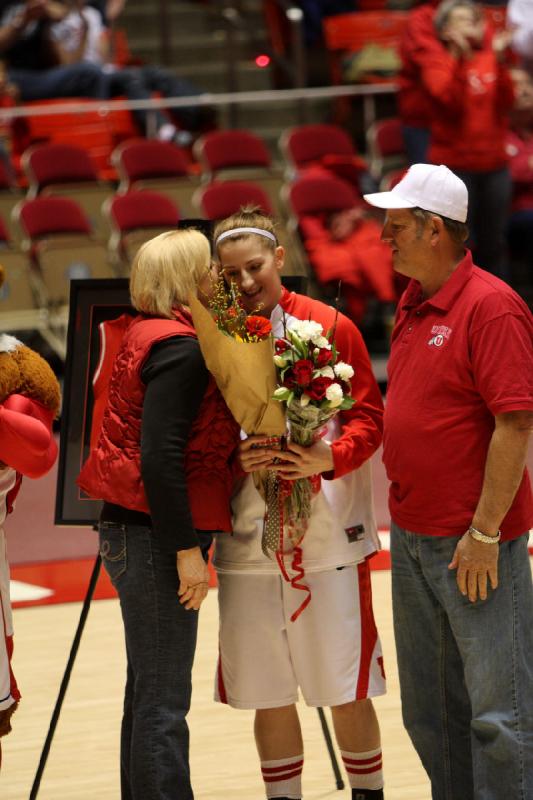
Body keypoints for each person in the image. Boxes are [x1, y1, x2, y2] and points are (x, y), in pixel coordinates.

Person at [363, 163, 533, 799]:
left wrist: (485, 533)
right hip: (411, 537)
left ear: (435, 230)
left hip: (472, 543)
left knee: (500, 715)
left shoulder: (491, 308)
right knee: (431, 713)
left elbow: (515, 425)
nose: (384, 236)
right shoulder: (412, 302)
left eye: (397, 225)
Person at [212, 208, 387, 800]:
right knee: (265, 691)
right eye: (229, 273)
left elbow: (367, 416)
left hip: (329, 534)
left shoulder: (332, 323)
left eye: (254, 267)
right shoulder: (211, 337)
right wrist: (236, 461)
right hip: (245, 539)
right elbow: (201, 439)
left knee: (345, 685)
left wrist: (329, 458)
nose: (244, 283)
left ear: (280, 259)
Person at [77, 229, 240, 800]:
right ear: (188, 277)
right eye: (210, 269)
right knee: (165, 702)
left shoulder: (145, 333)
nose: (218, 279)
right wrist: (187, 553)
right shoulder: (181, 347)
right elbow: (160, 458)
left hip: (129, 529)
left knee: (148, 692)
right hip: (155, 536)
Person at [419, 0, 515, 279]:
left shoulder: (490, 58)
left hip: (494, 164)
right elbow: (449, 104)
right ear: (445, 28)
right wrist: (460, 62)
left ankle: (499, 305)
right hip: (454, 168)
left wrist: (500, 61)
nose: (471, 25)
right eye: (462, 19)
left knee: (494, 242)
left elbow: (506, 102)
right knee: (455, 245)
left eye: (474, 20)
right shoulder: (435, 62)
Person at [49, 0, 214, 143]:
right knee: (132, 78)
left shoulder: (92, 14)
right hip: (86, 80)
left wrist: (110, 21)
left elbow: (106, 58)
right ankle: (162, 130)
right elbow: (68, 67)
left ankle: (196, 106)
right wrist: (84, 32)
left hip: (107, 73)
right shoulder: (56, 23)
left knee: (155, 72)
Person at [0, 0, 105, 101]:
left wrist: (50, 12)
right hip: (12, 75)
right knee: (89, 73)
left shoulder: (49, 8)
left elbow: (60, 13)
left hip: (44, 76)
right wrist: (24, 19)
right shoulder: (7, 4)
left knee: (107, 78)